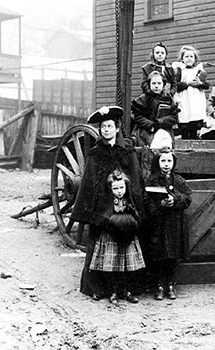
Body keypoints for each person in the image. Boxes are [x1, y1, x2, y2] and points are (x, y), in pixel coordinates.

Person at [70, 106, 146, 305]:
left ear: (117, 128)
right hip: (103, 209)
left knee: (127, 250)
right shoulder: (96, 153)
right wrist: (94, 211)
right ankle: (99, 288)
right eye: (103, 127)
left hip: (125, 207)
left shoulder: (127, 150)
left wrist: (136, 206)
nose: (106, 130)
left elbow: (136, 181)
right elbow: (88, 182)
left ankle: (127, 289)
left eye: (110, 126)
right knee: (101, 251)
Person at [144, 147, 192, 300]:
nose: (166, 164)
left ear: (174, 162)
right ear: (158, 163)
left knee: (172, 255)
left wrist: (175, 199)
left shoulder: (179, 181)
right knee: (159, 254)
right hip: (158, 224)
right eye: (163, 161)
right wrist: (160, 205)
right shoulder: (152, 180)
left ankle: (170, 284)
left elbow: (187, 198)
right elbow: (146, 200)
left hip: (174, 223)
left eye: (169, 161)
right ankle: (158, 285)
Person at [131, 71, 180, 149]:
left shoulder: (168, 99)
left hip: (164, 128)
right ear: (149, 84)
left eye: (159, 83)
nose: (156, 86)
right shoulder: (144, 99)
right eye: (153, 83)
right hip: (146, 130)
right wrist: (151, 125)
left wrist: (160, 122)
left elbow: (174, 117)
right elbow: (137, 117)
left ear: (163, 84)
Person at [172, 45, 209, 140]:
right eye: (186, 57)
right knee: (185, 122)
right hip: (184, 98)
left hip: (196, 99)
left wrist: (199, 83)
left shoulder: (198, 70)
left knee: (195, 123)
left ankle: (194, 141)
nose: (189, 59)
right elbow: (176, 85)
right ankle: (184, 141)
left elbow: (206, 85)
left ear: (195, 59)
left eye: (191, 57)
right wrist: (188, 83)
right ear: (182, 59)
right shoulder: (179, 70)